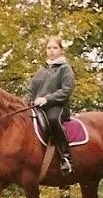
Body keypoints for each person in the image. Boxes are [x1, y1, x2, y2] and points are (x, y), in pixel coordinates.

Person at [26, 36, 76, 174]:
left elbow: (66, 90)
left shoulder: (65, 68)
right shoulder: (41, 70)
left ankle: (66, 158)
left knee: (53, 120)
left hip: (57, 106)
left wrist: (46, 99)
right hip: (38, 108)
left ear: (61, 50)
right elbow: (31, 90)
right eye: (49, 48)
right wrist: (23, 103)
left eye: (55, 48)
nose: (52, 51)